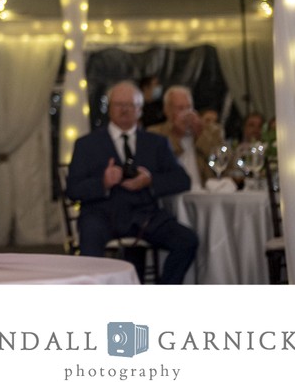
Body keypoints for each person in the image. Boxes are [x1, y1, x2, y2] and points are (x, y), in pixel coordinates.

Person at [66, 80, 197, 284]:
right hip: (102, 215)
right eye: (119, 104)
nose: (125, 110)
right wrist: (104, 182)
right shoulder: (87, 144)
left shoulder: (156, 143)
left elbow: (182, 180)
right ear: (109, 109)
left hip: (145, 216)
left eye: (131, 105)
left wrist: (150, 181)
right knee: (89, 251)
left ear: (140, 110)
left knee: (187, 241)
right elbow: (73, 189)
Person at [147, 85, 223, 189]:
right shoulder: (155, 133)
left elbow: (222, 162)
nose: (187, 113)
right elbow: (160, 165)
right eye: (180, 108)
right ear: (167, 111)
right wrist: (176, 135)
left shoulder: (212, 131)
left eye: (189, 107)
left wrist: (200, 135)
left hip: (206, 192)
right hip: (171, 193)